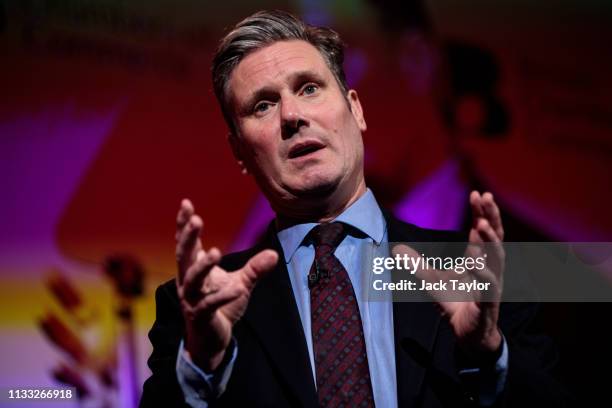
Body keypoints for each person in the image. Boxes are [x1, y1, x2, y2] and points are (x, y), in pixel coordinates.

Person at [140, 10, 564, 407]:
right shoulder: (198, 311)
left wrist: (489, 352)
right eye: (262, 105)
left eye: (309, 88)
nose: (292, 115)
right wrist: (202, 366)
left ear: (355, 109)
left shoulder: (482, 272)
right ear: (238, 150)